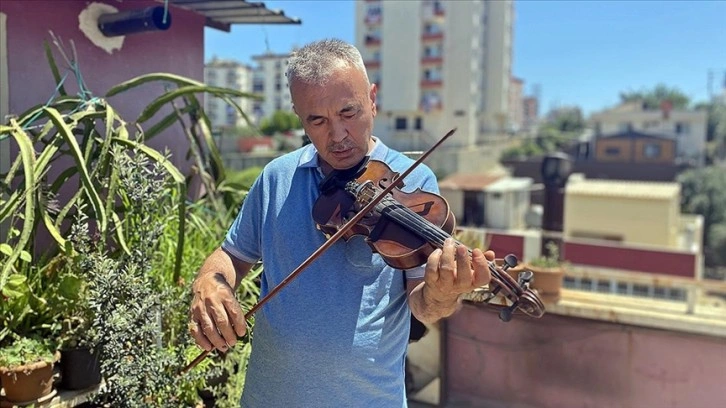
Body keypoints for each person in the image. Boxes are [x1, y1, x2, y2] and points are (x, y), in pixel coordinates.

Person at [188, 38, 494, 407]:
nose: (337, 136)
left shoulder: (414, 184)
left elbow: (422, 305)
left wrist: (444, 293)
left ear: (372, 100)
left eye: (348, 112)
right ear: (299, 116)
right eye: (317, 120)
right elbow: (231, 255)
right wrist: (210, 281)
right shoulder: (276, 178)